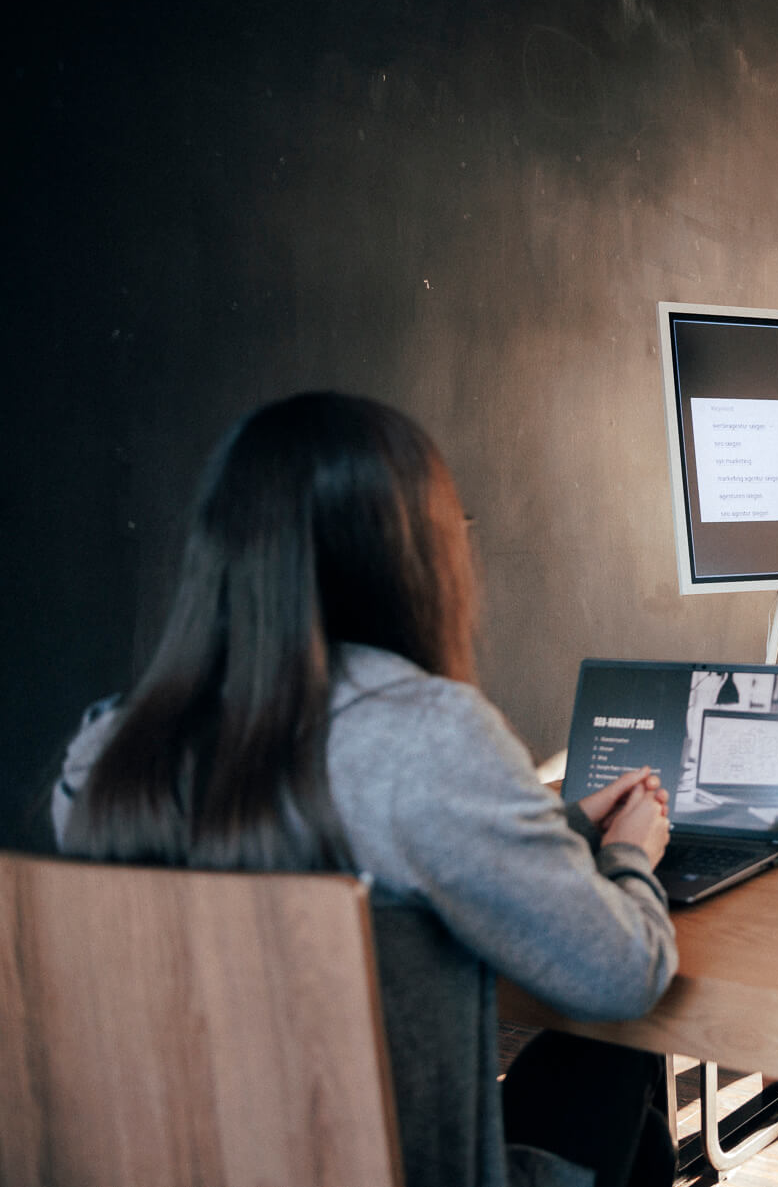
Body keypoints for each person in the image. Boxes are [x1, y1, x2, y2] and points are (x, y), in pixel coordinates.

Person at [52, 392, 680, 1187]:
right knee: (610, 1055)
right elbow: (622, 972)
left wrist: (558, 824)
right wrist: (627, 852)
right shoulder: (428, 734)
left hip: (177, 1163)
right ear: (413, 556)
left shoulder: (106, 750)